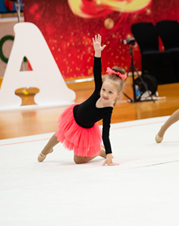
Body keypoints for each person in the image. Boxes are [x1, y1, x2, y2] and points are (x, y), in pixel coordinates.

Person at [38, 34, 124, 165]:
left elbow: (105, 134)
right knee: (60, 134)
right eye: (104, 90)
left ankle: (98, 152)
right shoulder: (98, 91)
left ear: (117, 95)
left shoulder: (108, 110)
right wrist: (97, 52)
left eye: (110, 92)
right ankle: (45, 151)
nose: (105, 94)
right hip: (73, 116)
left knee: (78, 160)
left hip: (84, 130)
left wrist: (109, 154)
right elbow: (97, 71)